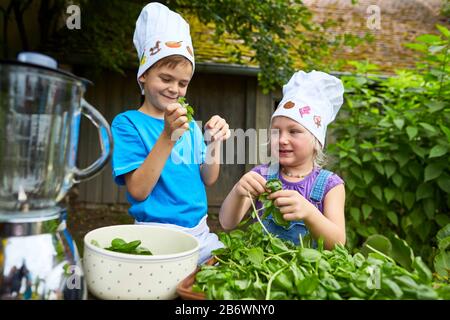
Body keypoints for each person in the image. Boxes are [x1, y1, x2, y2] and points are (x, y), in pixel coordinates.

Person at [111, 3, 230, 264]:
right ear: (143, 75)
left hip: (200, 232)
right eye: (166, 79)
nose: (174, 89)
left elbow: (208, 178)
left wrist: (213, 142)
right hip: (154, 236)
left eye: (183, 83)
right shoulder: (128, 124)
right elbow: (139, 191)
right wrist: (167, 136)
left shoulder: (189, 125)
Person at [219, 70, 346, 250]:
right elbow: (227, 223)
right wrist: (238, 192)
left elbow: (338, 243)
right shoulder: (261, 176)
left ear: (316, 141)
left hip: (308, 271)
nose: (282, 139)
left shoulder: (330, 185)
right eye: (276, 131)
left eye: (294, 131)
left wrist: (310, 213)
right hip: (263, 268)